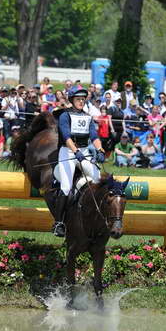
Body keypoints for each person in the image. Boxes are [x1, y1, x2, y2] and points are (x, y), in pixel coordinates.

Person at [52, 89, 106, 237]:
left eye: (83, 99)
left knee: (97, 177)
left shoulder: (88, 117)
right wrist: (76, 152)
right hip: (67, 151)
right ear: (72, 100)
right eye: (78, 99)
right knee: (66, 186)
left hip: (83, 151)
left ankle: (98, 215)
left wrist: (100, 150)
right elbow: (66, 136)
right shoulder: (65, 115)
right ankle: (58, 223)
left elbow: (94, 136)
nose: (82, 101)